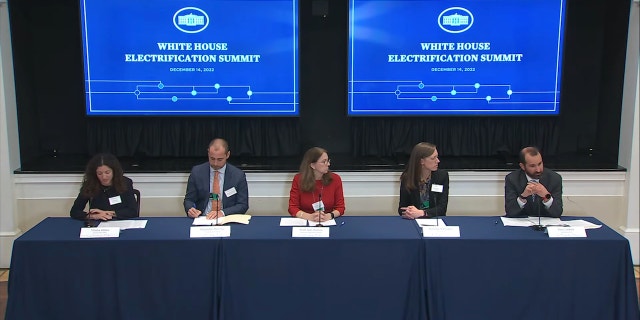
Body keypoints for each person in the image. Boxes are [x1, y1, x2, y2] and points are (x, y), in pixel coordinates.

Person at [184, 138, 249, 219]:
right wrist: (191, 209)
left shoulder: (238, 176)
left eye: (220, 159)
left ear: (227, 155)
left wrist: (223, 213)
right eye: (212, 158)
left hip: (226, 218)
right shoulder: (197, 172)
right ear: (208, 153)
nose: (215, 163)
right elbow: (189, 200)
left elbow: (243, 205)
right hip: (203, 218)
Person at [70, 153, 138, 221]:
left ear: (114, 171)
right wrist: (93, 216)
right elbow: (74, 211)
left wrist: (109, 213)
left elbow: (133, 211)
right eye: (99, 173)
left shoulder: (125, 182)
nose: (104, 177)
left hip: (119, 222)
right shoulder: (90, 185)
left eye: (107, 172)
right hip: (98, 224)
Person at [288, 147, 345, 222]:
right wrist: (309, 217)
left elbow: (340, 208)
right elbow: (292, 208)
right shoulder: (298, 179)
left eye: (328, 161)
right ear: (312, 165)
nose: (328, 164)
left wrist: (329, 216)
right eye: (324, 162)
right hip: (304, 221)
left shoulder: (335, 179)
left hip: (327, 221)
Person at [504, 146, 563, 217]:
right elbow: (510, 212)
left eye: (540, 164)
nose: (538, 169)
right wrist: (523, 197)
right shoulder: (512, 179)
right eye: (532, 166)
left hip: (545, 224)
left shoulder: (555, 178)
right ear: (522, 166)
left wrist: (546, 196)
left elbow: (557, 212)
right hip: (521, 224)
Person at [398, 142, 449, 219]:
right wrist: (409, 211)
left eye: (437, 157)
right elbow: (402, 208)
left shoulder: (442, 176)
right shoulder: (407, 178)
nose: (438, 161)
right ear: (421, 161)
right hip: (414, 220)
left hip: (435, 219)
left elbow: (442, 208)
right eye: (433, 158)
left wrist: (422, 213)